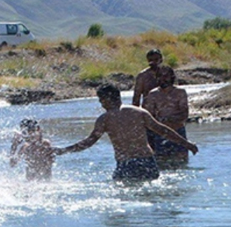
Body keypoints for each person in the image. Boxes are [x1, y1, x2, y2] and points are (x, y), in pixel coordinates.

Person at [54, 84, 198, 181]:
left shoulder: (105, 119)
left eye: (101, 100)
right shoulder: (139, 112)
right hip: (147, 162)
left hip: (125, 164)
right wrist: (187, 144)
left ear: (107, 99)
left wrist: (64, 151)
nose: (101, 104)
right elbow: (162, 130)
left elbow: (89, 142)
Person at [143, 66, 190, 167]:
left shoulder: (180, 92)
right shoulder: (153, 94)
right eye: (160, 76)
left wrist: (169, 120)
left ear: (172, 77)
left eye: (166, 76)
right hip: (160, 134)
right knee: (161, 165)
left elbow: (184, 114)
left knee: (182, 164)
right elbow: (149, 117)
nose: (163, 79)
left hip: (178, 132)